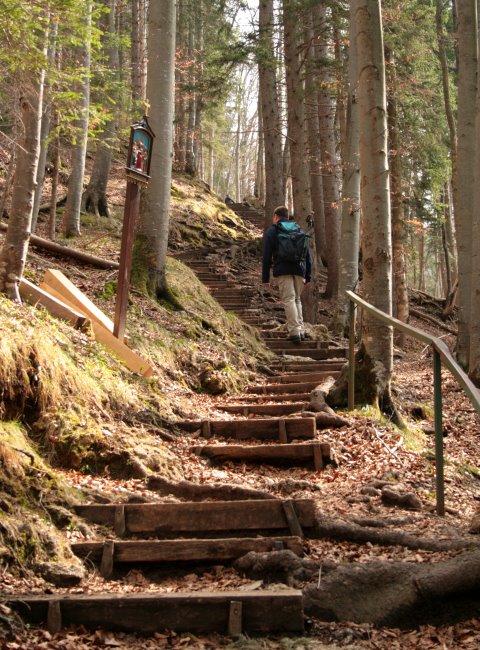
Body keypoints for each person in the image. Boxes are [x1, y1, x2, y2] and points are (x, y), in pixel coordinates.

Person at [262, 205, 311, 343]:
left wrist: (265, 277)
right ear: (287, 216)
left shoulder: (273, 230)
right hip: (300, 270)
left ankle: (294, 332)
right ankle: (300, 329)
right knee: (297, 300)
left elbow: (266, 255)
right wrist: (308, 275)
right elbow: (307, 254)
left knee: (289, 299)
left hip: (283, 269)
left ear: (276, 216)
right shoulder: (298, 229)